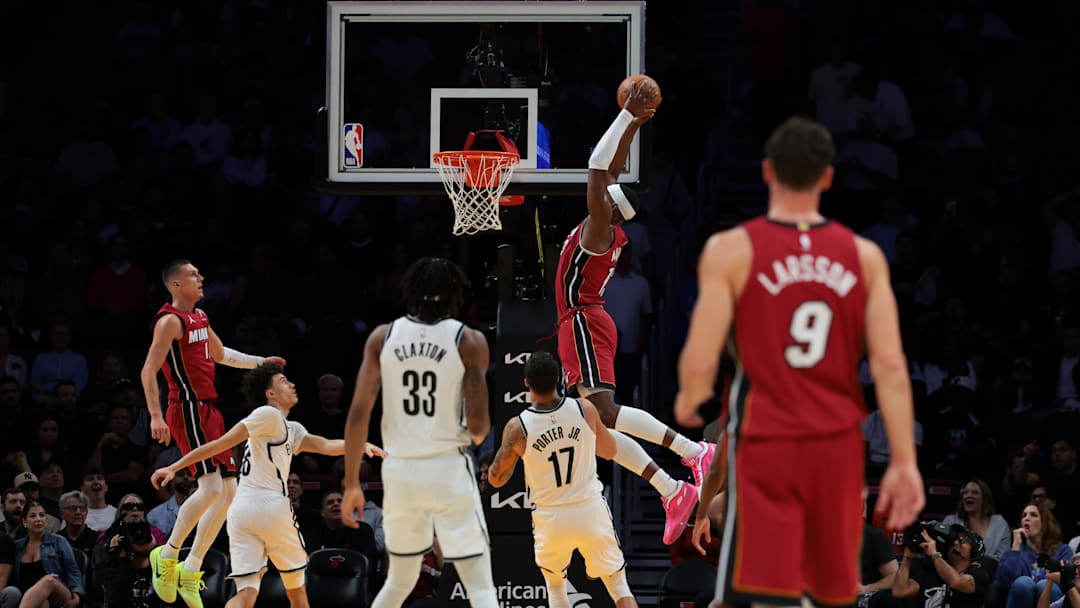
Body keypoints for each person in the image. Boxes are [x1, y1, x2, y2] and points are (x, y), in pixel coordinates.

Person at [673, 116, 925, 608]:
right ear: (827, 177)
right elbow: (891, 368)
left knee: (743, 598)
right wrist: (903, 460)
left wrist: (692, 393)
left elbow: (699, 362)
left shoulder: (730, 249)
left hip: (766, 447)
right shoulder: (865, 256)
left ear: (768, 172)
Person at [555, 77, 707, 545]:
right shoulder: (603, 223)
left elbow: (597, 168)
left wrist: (625, 115)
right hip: (581, 321)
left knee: (603, 411)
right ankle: (672, 490)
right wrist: (634, 127)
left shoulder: (598, 231)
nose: (599, 191)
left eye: (603, 195)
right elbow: (609, 168)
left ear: (610, 210)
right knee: (593, 424)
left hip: (584, 319)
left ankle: (692, 451)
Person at [151, 362, 381, 608]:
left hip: (241, 512)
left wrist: (360, 446)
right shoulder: (268, 414)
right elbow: (221, 443)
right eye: (283, 381)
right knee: (297, 592)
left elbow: (323, 445)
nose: (291, 384)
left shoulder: (290, 428)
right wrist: (175, 466)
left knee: (246, 595)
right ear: (270, 393)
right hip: (269, 505)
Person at [340, 257, 499, 608]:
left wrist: (351, 483)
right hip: (447, 467)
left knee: (399, 581)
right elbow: (478, 428)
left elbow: (358, 414)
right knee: (479, 583)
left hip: (400, 470)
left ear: (409, 291)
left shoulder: (383, 337)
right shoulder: (469, 340)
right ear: (456, 295)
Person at [140, 259, 285, 607]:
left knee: (229, 492)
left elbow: (221, 355)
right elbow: (148, 370)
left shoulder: (201, 317)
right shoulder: (169, 321)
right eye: (193, 274)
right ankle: (167, 555)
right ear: (176, 284)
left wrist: (260, 363)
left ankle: (190, 569)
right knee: (211, 488)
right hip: (187, 407)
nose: (201, 277)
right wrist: (155, 416)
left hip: (210, 409)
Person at [487, 350, 638, 608]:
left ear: (526, 383)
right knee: (618, 585)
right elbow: (609, 450)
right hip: (589, 507)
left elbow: (496, 480)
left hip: (551, 516)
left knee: (556, 589)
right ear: (559, 379)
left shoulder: (517, 427)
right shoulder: (584, 408)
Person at [893, 525, 991, 608]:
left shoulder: (979, 575)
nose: (955, 543)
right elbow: (900, 591)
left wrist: (934, 554)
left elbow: (956, 582)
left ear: (974, 552)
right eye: (954, 539)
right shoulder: (933, 571)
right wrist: (907, 558)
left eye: (962, 540)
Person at [13, 500, 85, 608]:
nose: (38, 519)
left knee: (49, 580)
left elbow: (73, 572)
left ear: (46, 520)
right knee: (43, 604)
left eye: (42, 515)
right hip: (28, 598)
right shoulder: (17, 547)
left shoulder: (59, 541)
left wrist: (77, 595)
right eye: (33, 516)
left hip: (59, 594)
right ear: (24, 522)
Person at [943, 479, 1012, 560]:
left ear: (985, 498)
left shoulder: (999, 524)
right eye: (965, 492)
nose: (969, 495)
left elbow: (1003, 558)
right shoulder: (950, 521)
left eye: (975, 492)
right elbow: (944, 553)